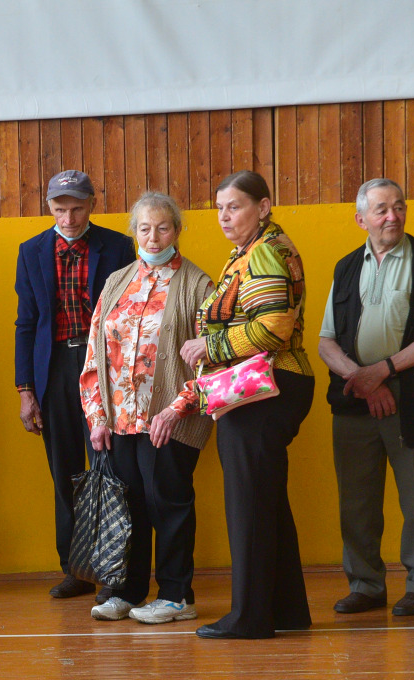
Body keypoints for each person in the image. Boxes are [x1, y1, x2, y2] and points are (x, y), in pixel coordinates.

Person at [165, 171, 315, 640]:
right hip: (270, 386)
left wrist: (211, 347)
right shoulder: (253, 250)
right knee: (264, 501)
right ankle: (287, 611)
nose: (225, 216)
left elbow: (274, 328)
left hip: (263, 389)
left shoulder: (265, 250)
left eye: (235, 206)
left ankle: (249, 617)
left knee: (248, 505)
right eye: (220, 208)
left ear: (264, 206)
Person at [319, 179, 414, 617]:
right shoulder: (344, 267)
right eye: (381, 209)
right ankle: (365, 584)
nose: (392, 216)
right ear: (361, 219)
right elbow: (325, 341)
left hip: (413, 399)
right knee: (356, 501)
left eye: (398, 207)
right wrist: (361, 378)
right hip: (353, 395)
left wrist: (382, 372)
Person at [80, 191, 213, 624]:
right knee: (127, 505)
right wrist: (97, 416)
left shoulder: (198, 284)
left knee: (167, 503)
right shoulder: (116, 281)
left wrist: (177, 408)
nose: (153, 237)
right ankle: (126, 589)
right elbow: (94, 355)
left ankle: (176, 595)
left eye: (163, 227)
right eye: (144, 228)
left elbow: (211, 360)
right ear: (133, 231)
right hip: (119, 421)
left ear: (177, 230)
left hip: (170, 421)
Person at [14, 169, 137, 598]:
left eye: (77, 208)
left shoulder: (118, 246)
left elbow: (127, 314)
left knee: (110, 469)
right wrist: (26, 389)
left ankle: (113, 565)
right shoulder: (31, 252)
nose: (68, 217)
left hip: (103, 366)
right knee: (63, 470)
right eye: (60, 209)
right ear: (49, 207)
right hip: (53, 371)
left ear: (91, 205)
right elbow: (26, 323)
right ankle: (74, 567)